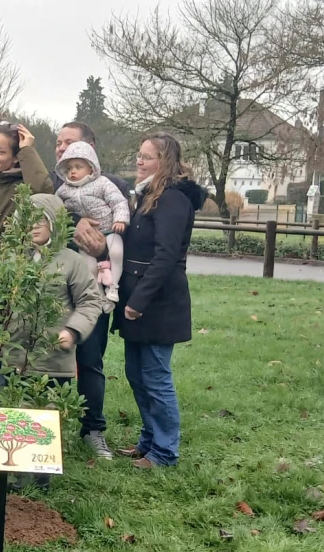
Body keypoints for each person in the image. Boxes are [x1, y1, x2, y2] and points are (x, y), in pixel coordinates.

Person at [114, 133, 206, 469]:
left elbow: (166, 255)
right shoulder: (148, 195)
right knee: (136, 374)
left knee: (155, 375)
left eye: (147, 157)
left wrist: (138, 300)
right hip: (138, 298)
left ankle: (165, 453)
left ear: (164, 161)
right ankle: (150, 440)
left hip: (158, 302)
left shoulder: (172, 199)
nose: (139, 161)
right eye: (138, 155)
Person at [6, 194, 104, 490]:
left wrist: (73, 331)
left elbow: (90, 301)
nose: (33, 226)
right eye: (27, 219)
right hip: (15, 357)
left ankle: (42, 473)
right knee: (16, 411)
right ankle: (15, 473)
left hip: (53, 360)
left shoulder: (71, 261)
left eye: (40, 219)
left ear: (54, 223)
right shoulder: (11, 258)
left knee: (47, 415)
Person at [50, 121, 132, 461]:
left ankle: (92, 428)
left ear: (89, 151)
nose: (61, 149)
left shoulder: (110, 187)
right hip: (56, 290)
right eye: (58, 143)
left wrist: (102, 254)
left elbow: (121, 235)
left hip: (91, 292)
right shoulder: (58, 190)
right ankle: (47, 425)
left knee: (90, 360)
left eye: (69, 143)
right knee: (51, 360)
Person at [55, 140, 130, 305]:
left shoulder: (102, 183)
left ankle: (113, 287)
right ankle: (97, 295)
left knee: (117, 252)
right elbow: (57, 209)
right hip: (84, 236)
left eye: (78, 167)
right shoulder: (63, 190)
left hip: (109, 229)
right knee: (87, 267)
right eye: (69, 168)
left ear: (91, 167)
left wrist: (120, 219)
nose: (73, 172)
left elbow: (118, 201)